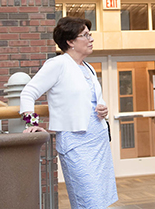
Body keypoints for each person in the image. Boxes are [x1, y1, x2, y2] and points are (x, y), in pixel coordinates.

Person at [20, 17, 118, 209]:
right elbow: (28, 93)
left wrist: (103, 108)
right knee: (87, 199)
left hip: (98, 139)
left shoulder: (88, 68)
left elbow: (92, 100)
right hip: (75, 142)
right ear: (70, 42)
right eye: (85, 35)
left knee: (101, 198)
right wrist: (31, 123)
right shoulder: (57, 64)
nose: (91, 39)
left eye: (90, 35)